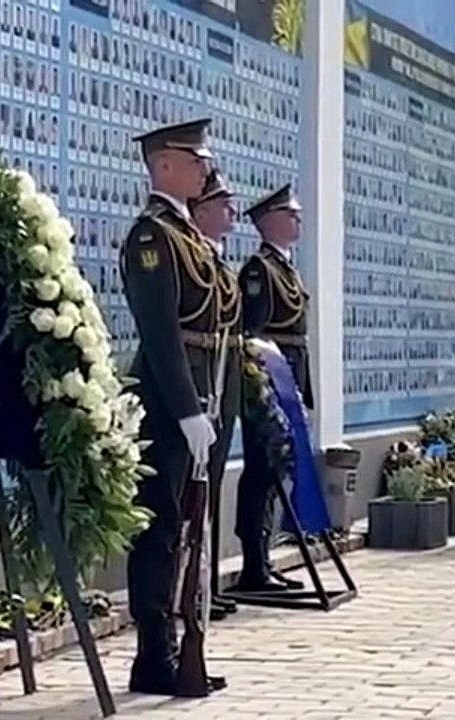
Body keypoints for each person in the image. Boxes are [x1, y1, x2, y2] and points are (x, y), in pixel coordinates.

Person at [120, 118, 226, 696]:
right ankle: (153, 653)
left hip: (198, 394)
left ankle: (182, 642)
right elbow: (160, 332)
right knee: (160, 527)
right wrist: (186, 408)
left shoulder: (187, 235)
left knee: (189, 527)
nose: (204, 169)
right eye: (194, 160)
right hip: (166, 402)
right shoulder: (150, 238)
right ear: (163, 164)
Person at [234, 184, 310, 592]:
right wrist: (261, 390)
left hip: (289, 378)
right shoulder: (258, 271)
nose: (297, 220)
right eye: (290, 214)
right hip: (266, 384)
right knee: (262, 472)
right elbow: (254, 335)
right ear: (269, 221)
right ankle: (253, 564)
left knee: (278, 470)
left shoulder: (284, 267)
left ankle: (264, 559)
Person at [186, 169, 242, 620]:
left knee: (212, 483)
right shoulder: (187, 254)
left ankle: (205, 582)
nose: (232, 212)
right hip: (195, 384)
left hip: (221, 384)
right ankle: (188, 587)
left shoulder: (218, 261)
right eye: (224, 205)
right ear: (201, 211)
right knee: (189, 493)